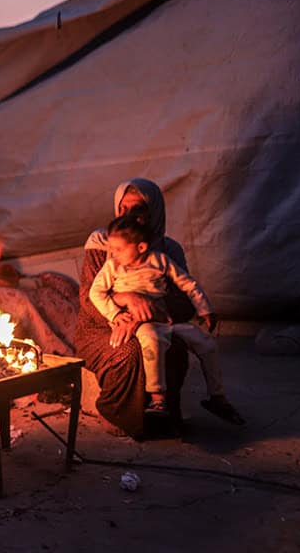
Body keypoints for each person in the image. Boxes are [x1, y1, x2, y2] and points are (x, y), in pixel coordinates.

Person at [90, 214, 244, 424]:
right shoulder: (113, 267)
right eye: (112, 249)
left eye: (119, 249)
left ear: (141, 247)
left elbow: (187, 284)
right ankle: (157, 398)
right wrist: (115, 314)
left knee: (206, 343)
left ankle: (217, 397)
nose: (113, 254)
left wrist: (205, 309)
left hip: (166, 319)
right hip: (140, 323)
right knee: (152, 340)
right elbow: (95, 292)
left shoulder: (160, 260)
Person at [73, 178, 193, 439]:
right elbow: (87, 298)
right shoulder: (102, 242)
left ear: (153, 212)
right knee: (128, 351)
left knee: (172, 347)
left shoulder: (169, 250)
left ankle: (162, 413)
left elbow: (186, 303)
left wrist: (146, 312)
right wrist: (125, 301)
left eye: (138, 209)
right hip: (99, 328)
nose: (129, 216)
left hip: (156, 322)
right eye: (123, 209)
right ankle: (119, 414)